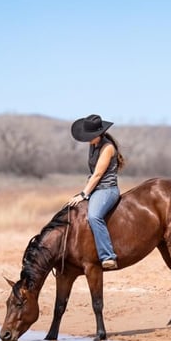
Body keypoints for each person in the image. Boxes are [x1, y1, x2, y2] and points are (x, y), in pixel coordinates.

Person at [68, 114, 126, 270]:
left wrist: (83, 194)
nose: (88, 139)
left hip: (107, 190)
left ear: (99, 134)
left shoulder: (107, 148)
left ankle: (108, 256)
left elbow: (98, 175)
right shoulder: (93, 145)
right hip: (95, 188)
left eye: (90, 136)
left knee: (94, 216)